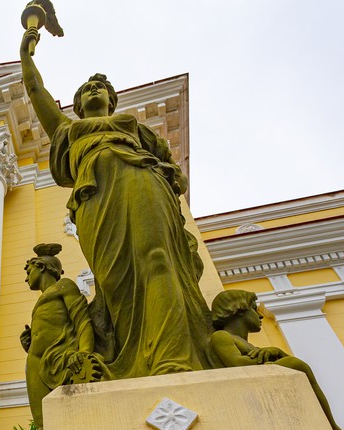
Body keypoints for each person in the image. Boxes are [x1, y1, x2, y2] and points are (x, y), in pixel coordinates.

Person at [19, 27, 215, 379]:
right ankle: (132, 359)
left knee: (158, 258)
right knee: (112, 280)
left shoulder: (134, 128)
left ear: (112, 100)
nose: (94, 89)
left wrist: (172, 176)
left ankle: (173, 358)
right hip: (95, 198)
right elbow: (36, 92)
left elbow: (173, 172)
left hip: (140, 179)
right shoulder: (65, 129)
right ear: (77, 106)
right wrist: (27, 50)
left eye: (101, 88)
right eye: (86, 89)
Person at [209, 289, 344, 430]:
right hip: (244, 392)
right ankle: (333, 428)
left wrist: (276, 352)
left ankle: (332, 427)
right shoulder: (221, 336)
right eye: (254, 308)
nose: (260, 315)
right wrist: (272, 357)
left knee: (297, 366)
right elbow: (236, 363)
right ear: (238, 309)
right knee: (295, 364)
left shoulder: (251, 346)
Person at [20, 244, 103, 430]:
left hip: (58, 358)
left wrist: (84, 352)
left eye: (28, 270)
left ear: (41, 267)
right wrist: (29, 343)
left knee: (70, 412)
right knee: (41, 425)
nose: (26, 277)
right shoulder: (41, 300)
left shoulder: (64, 286)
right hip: (35, 361)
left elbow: (82, 321)